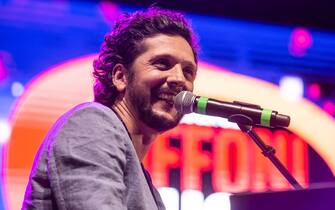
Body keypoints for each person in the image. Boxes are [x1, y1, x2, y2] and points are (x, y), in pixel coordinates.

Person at [22, 7, 198, 210]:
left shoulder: (142, 178)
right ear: (120, 77)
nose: (179, 79)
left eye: (188, 72)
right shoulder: (91, 124)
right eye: (162, 64)